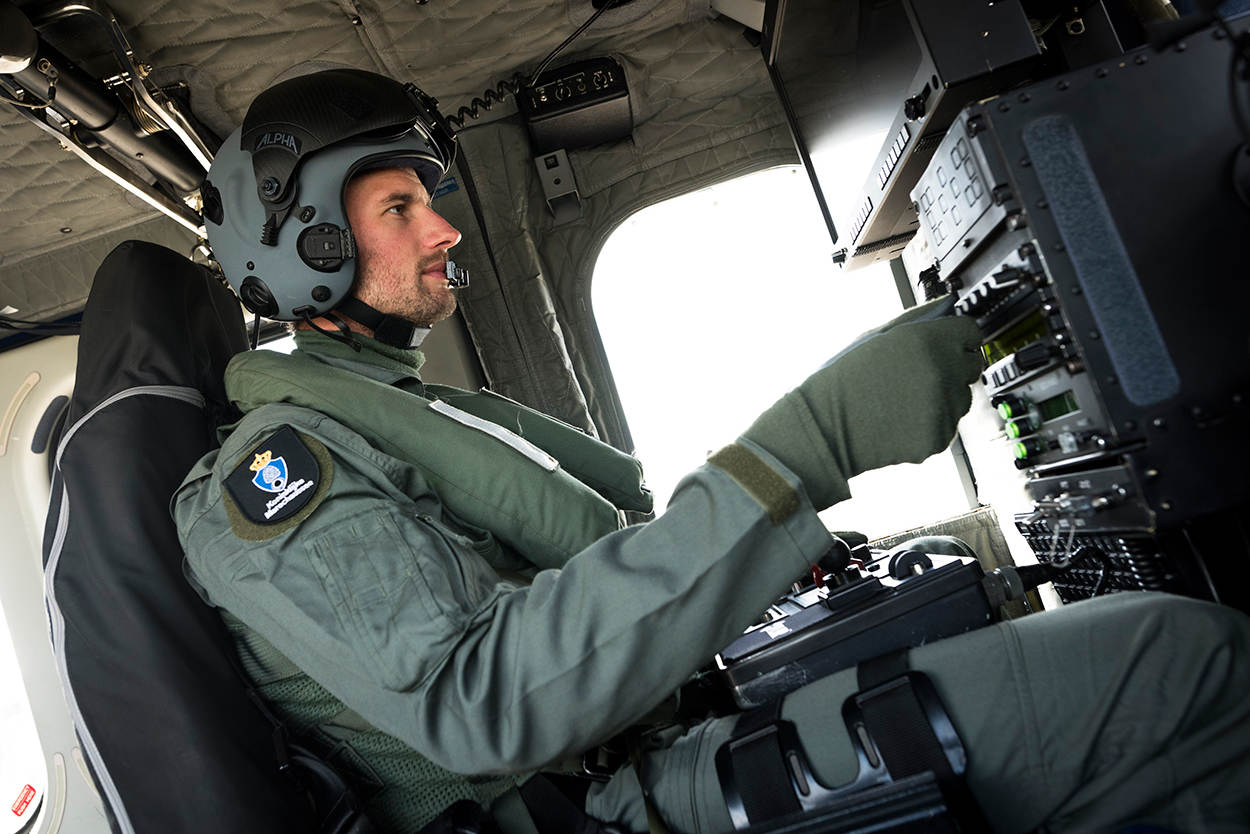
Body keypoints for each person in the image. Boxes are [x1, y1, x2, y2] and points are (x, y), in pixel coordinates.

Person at [175, 67, 1250, 834]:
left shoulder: (386, 405)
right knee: (1182, 665)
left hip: (661, 731)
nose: (444, 229)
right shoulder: (272, 473)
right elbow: (482, 702)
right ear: (307, 245)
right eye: (398, 206)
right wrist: (810, 441)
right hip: (609, 802)